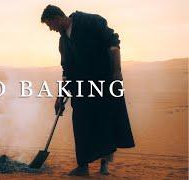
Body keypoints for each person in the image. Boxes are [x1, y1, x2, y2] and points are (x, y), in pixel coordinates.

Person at [41, 5, 135, 176]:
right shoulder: (63, 42)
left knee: (105, 123)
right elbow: (66, 71)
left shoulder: (89, 21)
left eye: (50, 25)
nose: (51, 29)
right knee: (81, 124)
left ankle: (104, 164)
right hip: (81, 88)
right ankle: (83, 166)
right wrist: (60, 97)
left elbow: (113, 43)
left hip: (104, 83)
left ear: (57, 18)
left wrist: (117, 71)